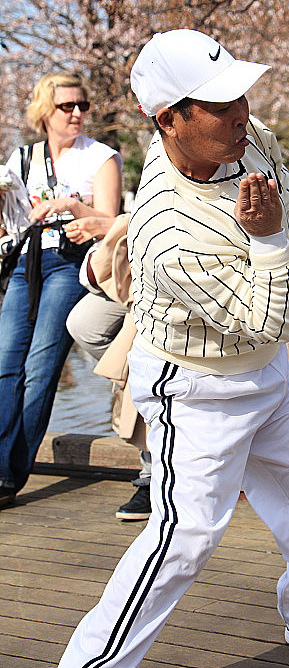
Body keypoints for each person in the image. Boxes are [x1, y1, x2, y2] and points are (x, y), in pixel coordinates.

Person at [58, 29, 289, 668]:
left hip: (265, 375)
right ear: (170, 119)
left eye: (241, 96)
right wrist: (268, 241)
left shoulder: (246, 139)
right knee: (184, 538)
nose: (242, 113)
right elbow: (267, 322)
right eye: (221, 105)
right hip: (194, 388)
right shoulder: (166, 232)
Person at [0, 73, 122, 508]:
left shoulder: (101, 157)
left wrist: (72, 205)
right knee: (5, 365)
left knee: (41, 367)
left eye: (82, 105)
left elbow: (111, 221)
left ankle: (9, 476)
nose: (76, 114)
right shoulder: (21, 158)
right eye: (66, 106)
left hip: (69, 264)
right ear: (44, 111)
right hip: (25, 263)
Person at [65, 213, 152, 520]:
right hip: (144, 257)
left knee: (142, 348)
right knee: (86, 325)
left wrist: (106, 223)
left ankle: (154, 475)